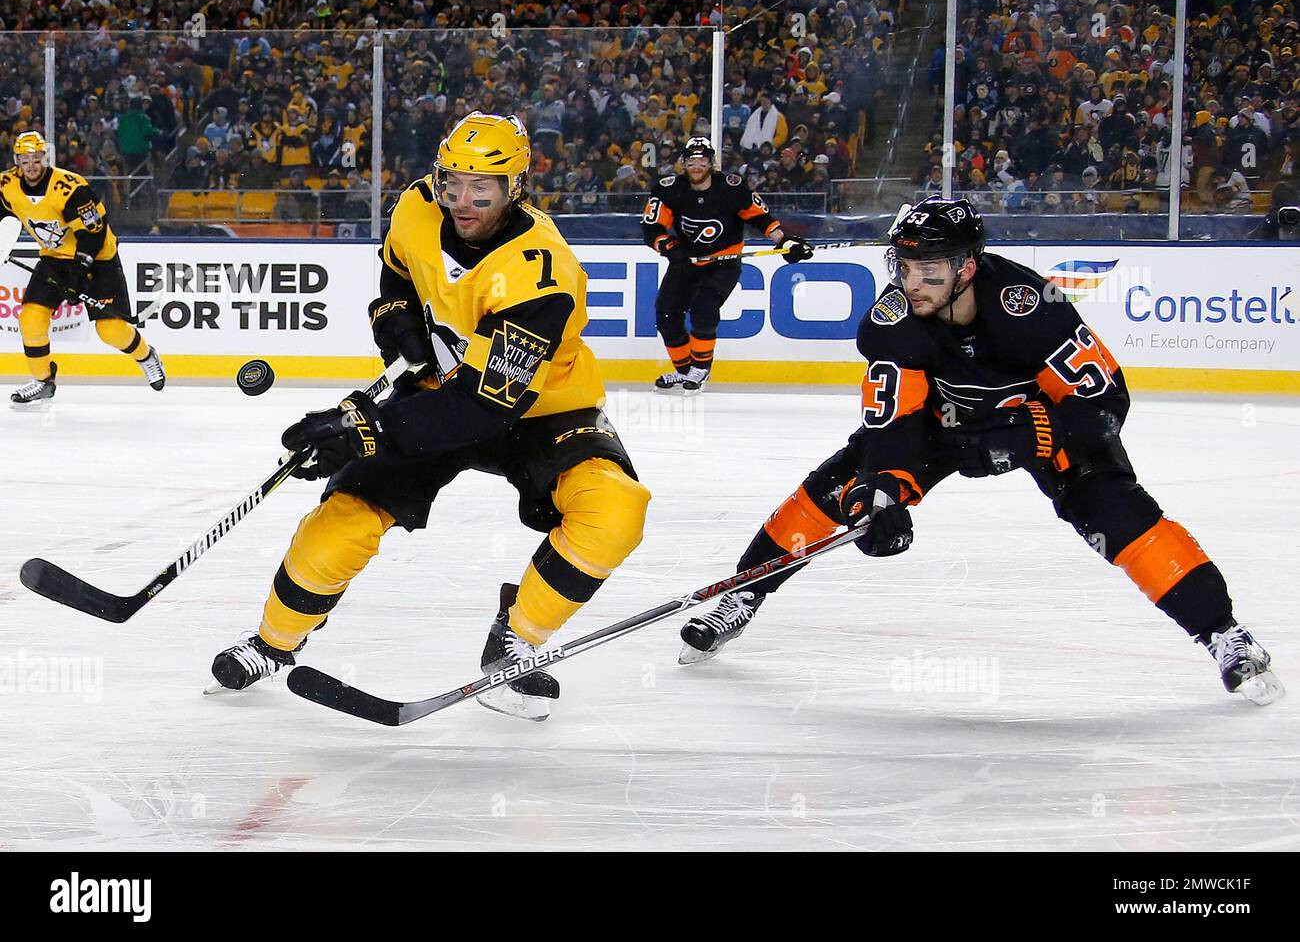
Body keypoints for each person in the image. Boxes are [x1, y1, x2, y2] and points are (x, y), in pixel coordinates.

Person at [674, 195, 1284, 707]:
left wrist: (1034, 436)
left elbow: (1103, 398)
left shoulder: (1028, 306)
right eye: (905, 267)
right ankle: (744, 593)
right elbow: (893, 423)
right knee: (835, 488)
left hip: (1040, 426)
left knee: (1119, 515)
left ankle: (1224, 633)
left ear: (968, 267)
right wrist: (881, 490)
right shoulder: (893, 321)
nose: (913, 283)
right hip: (943, 426)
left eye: (930, 269)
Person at [210, 113, 652, 721]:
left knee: (615, 511)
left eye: (483, 188)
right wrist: (395, 326)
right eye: (453, 181)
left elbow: (484, 404)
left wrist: (366, 432)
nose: (462, 200)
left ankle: (516, 640)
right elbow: (396, 274)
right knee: (345, 518)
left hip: (543, 408)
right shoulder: (418, 205)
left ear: (515, 186)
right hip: (437, 389)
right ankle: (273, 641)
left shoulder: (540, 275)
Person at [3, 132, 165, 407]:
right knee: (30, 319)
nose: (30, 165)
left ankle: (146, 356)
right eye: (25, 159)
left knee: (111, 330)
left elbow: (95, 232)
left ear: (45, 157)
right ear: (17, 160)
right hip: (55, 257)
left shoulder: (69, 187)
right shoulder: (7, 184)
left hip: (98, 256)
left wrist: (80, 272)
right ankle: (43, 381)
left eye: (36, 158)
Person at [640, 136, 811, 393]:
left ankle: (701, 369)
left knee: (704, 307)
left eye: (702, 160)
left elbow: (760, 218)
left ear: (711, 163)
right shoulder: (668, 189)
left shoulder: (732, 187)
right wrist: (666, 246)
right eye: (692, 160)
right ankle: (684, 370)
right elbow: (651, 227)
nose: (697, 166)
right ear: (684, 163)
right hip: (686, 261)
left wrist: (784, 240)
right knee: (666, 313)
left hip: (723, 262)